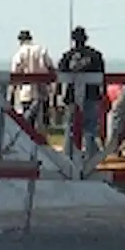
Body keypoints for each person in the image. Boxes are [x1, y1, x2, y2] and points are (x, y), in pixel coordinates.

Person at [57, 26, 105, 159]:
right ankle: (90, 156)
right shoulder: (96, 56)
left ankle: (68, 155)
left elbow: (59, 76)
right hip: (92, 95)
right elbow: (102, 77)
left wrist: (58, 97)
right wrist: (103, 95)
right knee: (90, 126)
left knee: (71, 126)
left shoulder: (67, 56)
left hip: (72, 97)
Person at [10, 30, 53, 128]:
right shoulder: (41, 50)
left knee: (28, 121)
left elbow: (14, 75)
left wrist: (12, 94)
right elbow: (50, 67)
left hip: (26, 92)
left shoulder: (19, 54)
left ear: (20, 40)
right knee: (42, 121)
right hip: (42, 91)